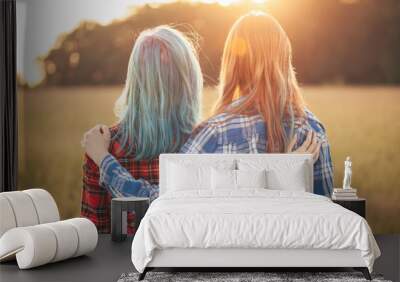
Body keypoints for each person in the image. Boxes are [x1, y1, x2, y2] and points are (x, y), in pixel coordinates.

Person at [82, 11, 332, 215]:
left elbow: (160, 205)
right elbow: (326, 217)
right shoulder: (313, 129)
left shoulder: (213, 133)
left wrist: (104, 160)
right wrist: (288, 172)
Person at [81, 26, 203, 233]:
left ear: (135, 81)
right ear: (189, 79)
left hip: (123, 265)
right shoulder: (203, 142)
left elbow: (94, 234)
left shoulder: (102, 146)